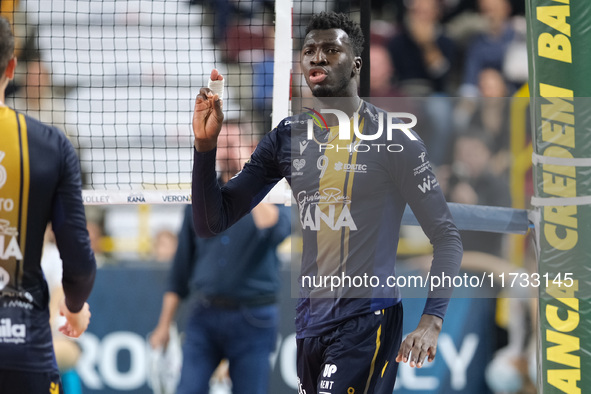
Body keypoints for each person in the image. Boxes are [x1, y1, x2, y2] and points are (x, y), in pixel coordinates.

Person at [191, 11, 463, 393]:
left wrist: (431, 321)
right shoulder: (287, 138)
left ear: (356, 65)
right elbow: (211, 222)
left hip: (369, 318)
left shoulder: (394, 138)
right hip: (310, 323)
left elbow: (447, 236)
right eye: (309, 50)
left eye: (330, 50)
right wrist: (205, 148)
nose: (317, 57)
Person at [149, 124, 290, 394]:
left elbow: (277, 231)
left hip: (254, 316)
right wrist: (164, 325)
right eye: (221, 144)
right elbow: (180, 269)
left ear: (250, 148)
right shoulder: (200, 200)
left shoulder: (274, 195)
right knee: (188, 389)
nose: (225, 151)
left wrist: (249, 179)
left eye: (232, 143)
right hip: (206, 313)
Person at [0, 16, 96, 394]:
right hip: (22, 343)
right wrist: (74, 307)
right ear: (11, 67)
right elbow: (78, 257)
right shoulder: (50, 144)